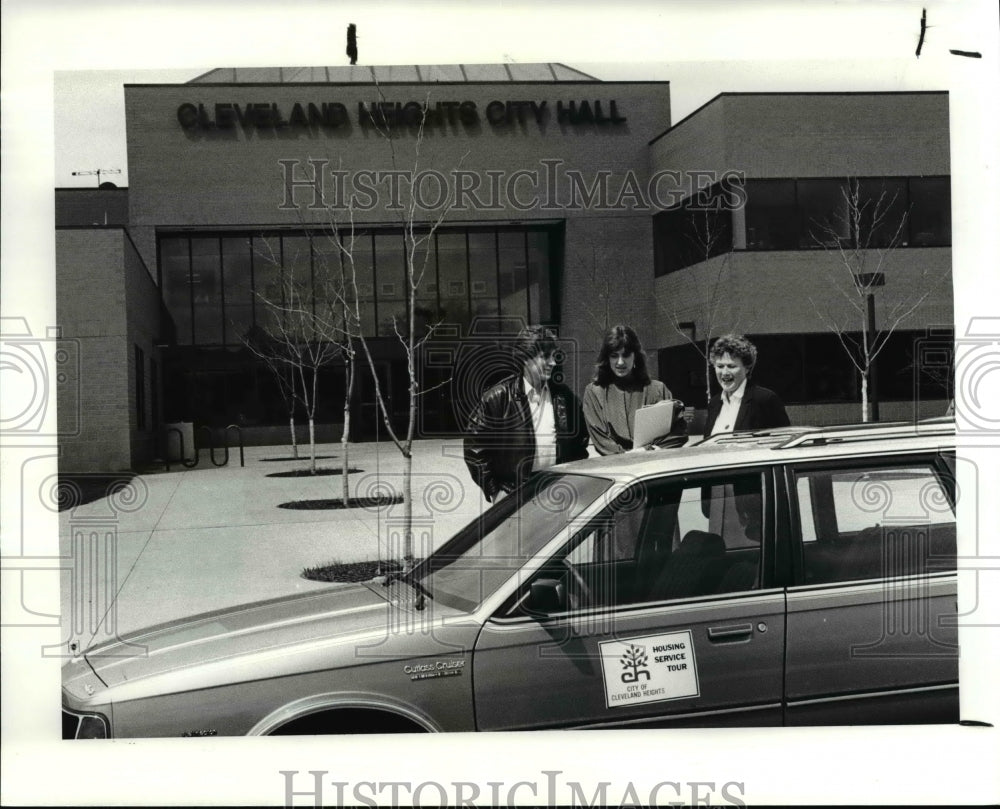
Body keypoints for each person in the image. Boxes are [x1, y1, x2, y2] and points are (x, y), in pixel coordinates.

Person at [464, 325, 589, 502]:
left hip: (558, 489)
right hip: (515, 494)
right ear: (525, 358)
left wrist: (573, 481)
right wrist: (494, 491)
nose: (553, 362)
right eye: (545, 357)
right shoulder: (497, 398)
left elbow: (580, 443)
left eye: (554, 356)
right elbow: (474, 450)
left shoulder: (565, 397)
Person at [582, 324, 685, 455]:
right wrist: (627, 456)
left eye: (626, 355)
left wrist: (649, 450)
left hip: (653, 466)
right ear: (606, 358)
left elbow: (679, 430)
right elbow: (600, 439)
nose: (620, 362)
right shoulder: (594, 393)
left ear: (635, 356)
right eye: (614, 355)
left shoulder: (657, 390)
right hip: (615, 468)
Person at [703, 334, 790, 437]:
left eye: (731, 366)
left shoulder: (765, 400)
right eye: (720, 366)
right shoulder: (714, 403)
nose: (725, 372)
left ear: (747, 368)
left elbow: (784, 441)